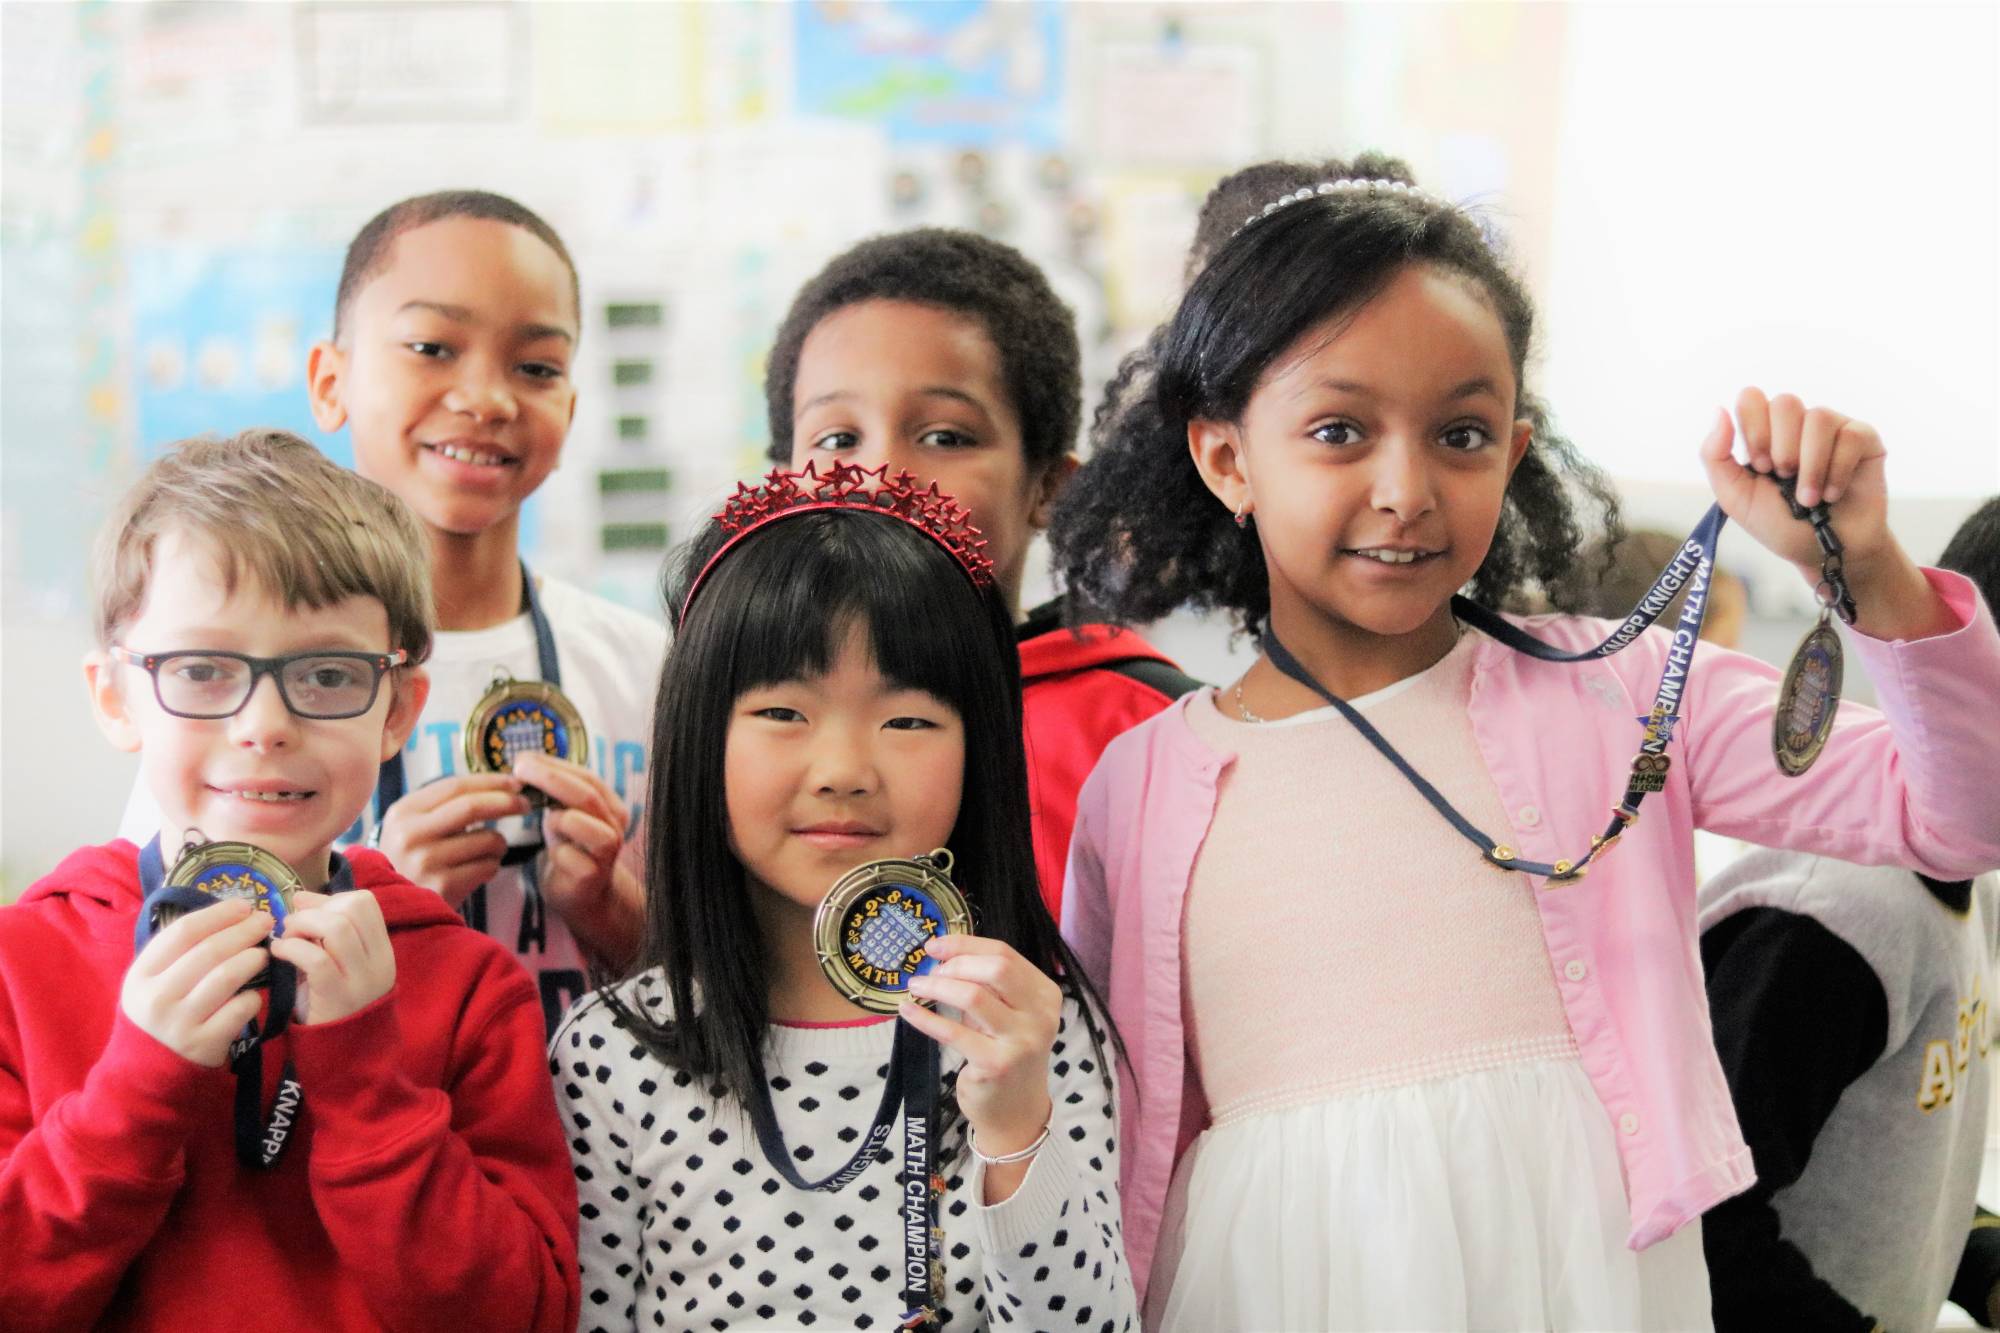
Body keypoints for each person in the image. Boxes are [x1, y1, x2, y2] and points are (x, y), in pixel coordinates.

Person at [1050, 152, 2000, 1329]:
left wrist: (1859, 565)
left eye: (1458, 434)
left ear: (1511, 448)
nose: (1404, 488)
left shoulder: (1626, 690)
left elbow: (1959, 813)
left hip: (1583, 1276)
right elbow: (1117, 1117)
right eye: (1340, 429)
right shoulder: (1140, 785)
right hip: (1270, 1286)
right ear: (1226, 457)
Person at [0, 430, 578, 1331]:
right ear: (116, 697)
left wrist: (366, 1083)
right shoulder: (21, 967)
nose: (264, 724)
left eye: (326, 673)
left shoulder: (470, 986)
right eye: (200, 669)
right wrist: (138, 1086)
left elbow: (522, 1314)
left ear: (398, 708)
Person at [555, 462, 1136, 1331]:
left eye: (907, 721)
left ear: (981, 751)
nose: (844, 773)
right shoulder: (613, 1053)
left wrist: (1016, 1120)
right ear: (696, 739)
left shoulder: (1025, 1027)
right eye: (783, 713)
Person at [123, 191, 666, 1028]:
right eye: (431, 347)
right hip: (355, 1140)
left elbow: (726, 976)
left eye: (537, 367)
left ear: (571, 406)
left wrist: (608, 906)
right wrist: (374, 896)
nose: (487, 396)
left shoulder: (648, 668)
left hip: (610, 1149)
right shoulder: (238, 701)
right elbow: (169, 975)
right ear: (330, 383)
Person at [764, 228, 1199, 914]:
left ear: (1050, 488)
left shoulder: (1152, 735)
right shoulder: (739, 729)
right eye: (837, 438)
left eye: (944, 436)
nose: (883, 478)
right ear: (787, 480)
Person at [1699, 496, 2000, 1333]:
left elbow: (1893, 1155)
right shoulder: (1828, 924)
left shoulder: (1964, 880)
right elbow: (1708, 1228)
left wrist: (1981, 1262)